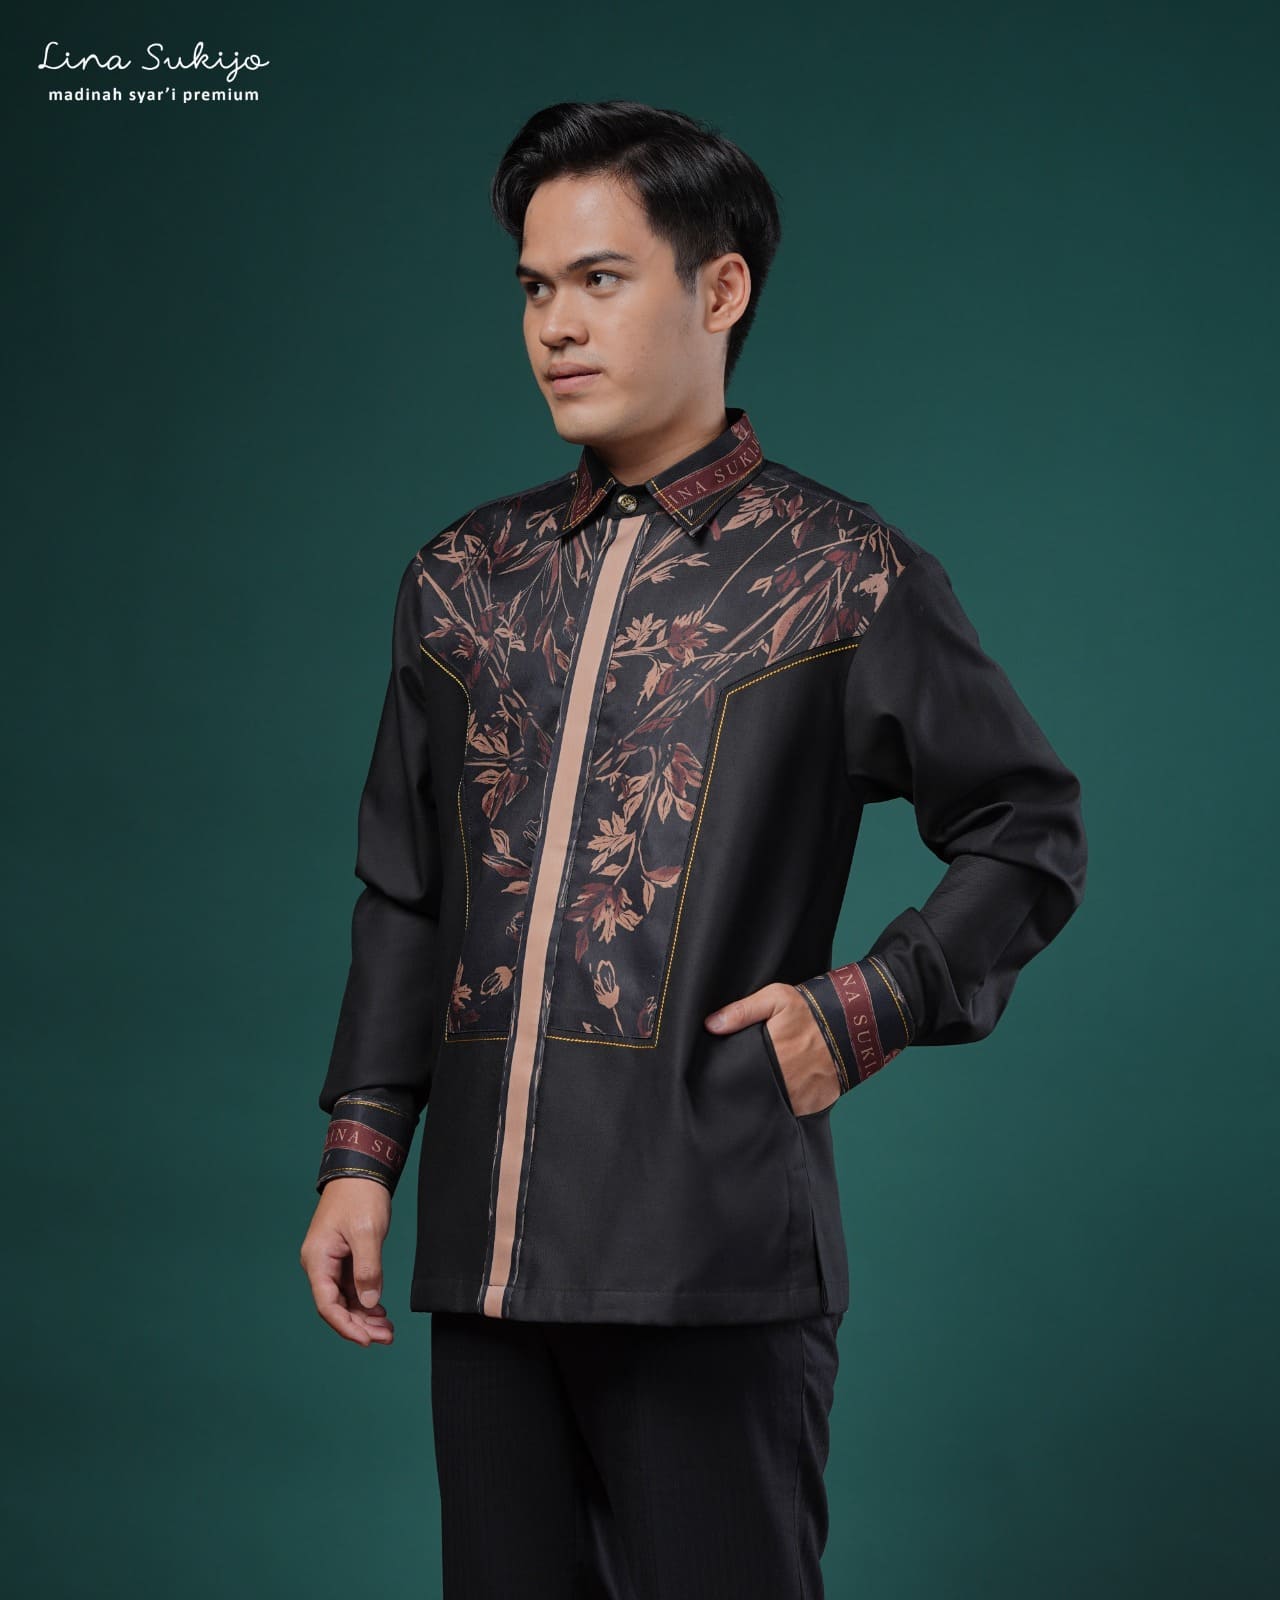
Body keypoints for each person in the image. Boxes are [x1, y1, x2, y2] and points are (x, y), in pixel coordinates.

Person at [298, 98, 1088, 1598]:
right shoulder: (461, 582)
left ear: (719, 289)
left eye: (601, 279)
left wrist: (864, 1007)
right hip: (487, 1262)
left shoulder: (839, 575)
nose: (555, 325)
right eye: (536, 287)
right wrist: (361, 1157)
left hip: (711, 1252)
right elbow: (405, 890)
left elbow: (1028, 828)